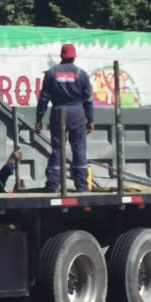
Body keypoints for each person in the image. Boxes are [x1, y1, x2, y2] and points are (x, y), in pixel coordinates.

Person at [34, 43, 94, 192]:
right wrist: (90, 120)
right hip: (77, 112)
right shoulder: (81, 74)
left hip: (58, 111)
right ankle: (81, 185)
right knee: (79, 147)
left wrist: (39, 119)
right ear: (74, 56)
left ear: (61, 56)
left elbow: (43, 99)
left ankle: (53, 185)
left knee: (57, 148)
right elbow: (88, 100)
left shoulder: (51, 73)